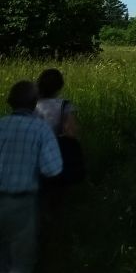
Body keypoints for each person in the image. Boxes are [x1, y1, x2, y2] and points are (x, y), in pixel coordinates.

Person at [0, 81, 62, 273]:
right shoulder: (40, 129)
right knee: (21, 262)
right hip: (22, 203)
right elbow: (53, 169)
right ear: (34, 103)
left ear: (11, 101)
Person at [34, 70, 78, 140]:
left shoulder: (32, 105)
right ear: (59, 86)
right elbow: (70, 132)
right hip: (55, 146)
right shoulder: (64, 105)